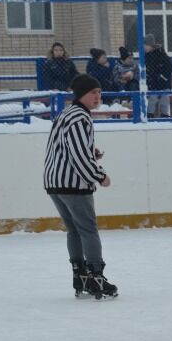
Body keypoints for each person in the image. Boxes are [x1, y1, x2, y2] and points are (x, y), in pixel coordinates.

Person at [43, 74, 117, 299]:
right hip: (73, 183)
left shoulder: (66, 113)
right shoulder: (80, 118)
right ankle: (96, 276)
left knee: (74, 230)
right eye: (92, 92)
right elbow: (77, 155)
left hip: (55, 182)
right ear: (81, 95)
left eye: (99, 92)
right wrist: (99, 175)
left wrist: (90, 151)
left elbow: (64, 146)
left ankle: (80, 274)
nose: (97, 96)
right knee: (87, 229)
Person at [143, 34, 172, 118]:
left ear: (150, 45)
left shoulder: (161, 53)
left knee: (165, 98)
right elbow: (148, 69)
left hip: (163, 81)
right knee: (152, 98)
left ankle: (165, 115)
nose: (144, 47)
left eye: (145, 45)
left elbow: (170, 67)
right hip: (153, 82)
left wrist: (162, 77)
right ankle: (149, 114)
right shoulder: (146, 56)